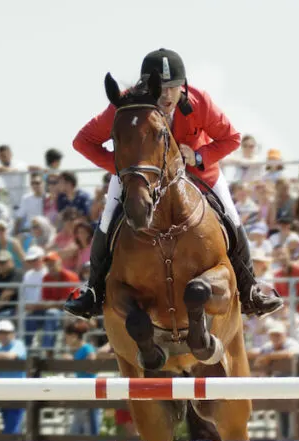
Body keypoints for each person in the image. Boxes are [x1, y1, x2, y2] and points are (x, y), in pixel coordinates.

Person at [65, 48, 281, 320]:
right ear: (147, 86)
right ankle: (94, 291)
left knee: (232, 218)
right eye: (161, 88)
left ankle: (250, 290)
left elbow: (232, 138)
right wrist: (128, 170)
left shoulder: (199, 102)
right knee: (107, 220)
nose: (167, 95)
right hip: (142, 179)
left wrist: (200, 155)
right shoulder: (128, 105)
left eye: (173, 87)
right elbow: (82, 141)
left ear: (183, 86)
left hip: (200, 174)